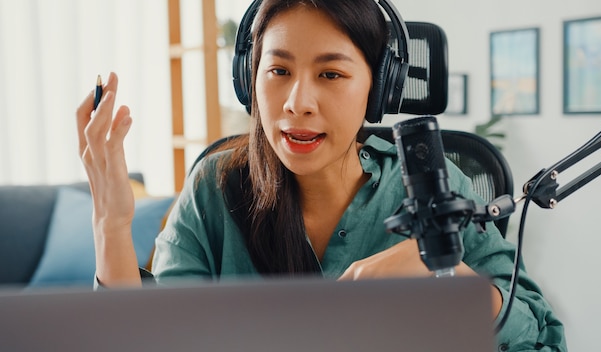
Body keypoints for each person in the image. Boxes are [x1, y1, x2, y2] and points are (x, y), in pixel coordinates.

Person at [76, 0, 567, 350]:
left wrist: (441, 271)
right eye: (279, 71)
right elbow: (150, 338)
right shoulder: (214, 189)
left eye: (330, 74)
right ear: (252, 79)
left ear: (379, 89)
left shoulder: (432, 187)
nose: (297, 103)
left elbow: (540, 337)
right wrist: (112, 225)